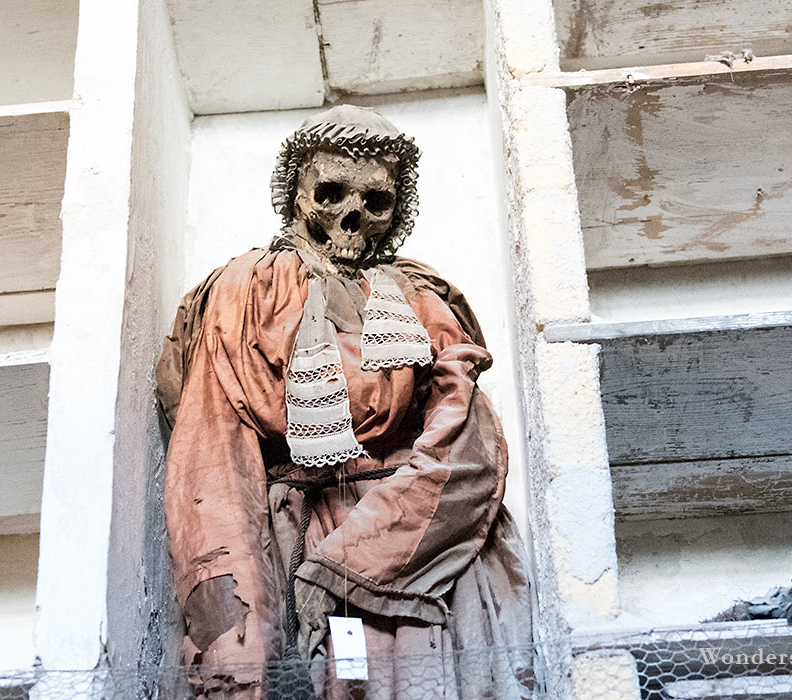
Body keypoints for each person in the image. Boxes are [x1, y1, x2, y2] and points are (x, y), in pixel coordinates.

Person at [156, 105, 535, 699]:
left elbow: (467, 441)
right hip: (297, 536)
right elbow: (213, 461)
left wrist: (362, 554)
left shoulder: (421, 296)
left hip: (418, 541)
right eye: (331, 193)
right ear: (297, 192)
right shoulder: (247, 287)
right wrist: (238, 645)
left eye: (375, 201)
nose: (352, 217)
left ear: (396, 209)